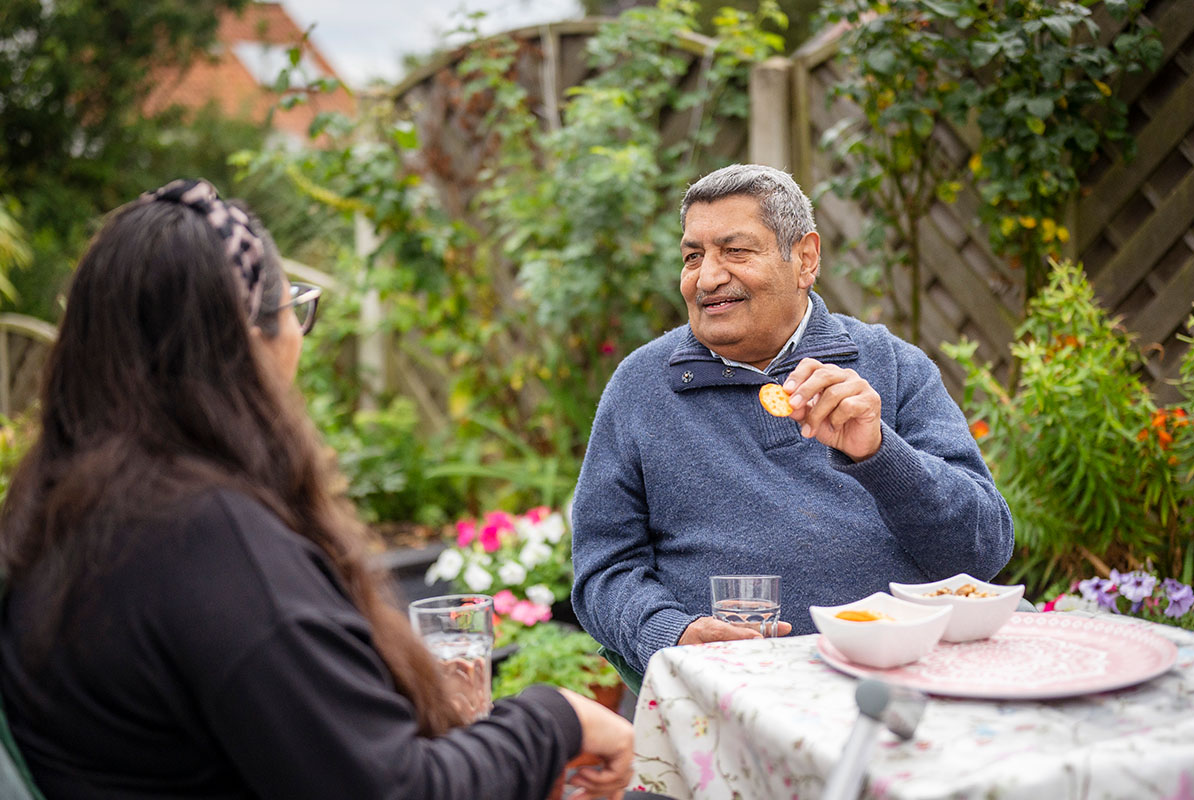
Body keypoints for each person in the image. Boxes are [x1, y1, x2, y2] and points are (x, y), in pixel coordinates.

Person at [0, 180, 633, 800]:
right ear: (246, 341)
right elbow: (397, 788)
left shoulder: (62, 510)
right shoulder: (209, 542)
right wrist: (556, 719)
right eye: (293, 310)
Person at [570, 164, 1014, 683]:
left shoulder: (891, 367)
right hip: (733, 690)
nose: (708, 277)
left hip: (905, 677)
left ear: (804, 258)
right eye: (694, 256)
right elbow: (603, 570)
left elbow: (982, 553)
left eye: (735, 251)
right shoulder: (641, 387)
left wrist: (879, 455)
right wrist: (671, 632)